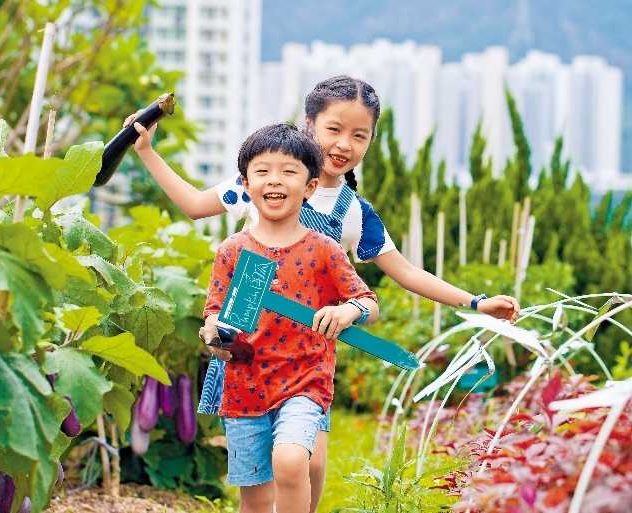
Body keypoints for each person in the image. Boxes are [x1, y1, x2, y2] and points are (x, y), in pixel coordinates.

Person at [125, 75, 520, 512]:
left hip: (307, 360)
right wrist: (145, 151)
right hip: (249, 349)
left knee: (307, 466)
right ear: (309, 124)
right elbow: (195, 205)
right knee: (256, 474)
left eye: (359, 135)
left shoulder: (353, 212)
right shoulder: (270, 176)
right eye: (334, 129)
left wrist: (477, 302)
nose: (344, 144)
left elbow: (406, 272)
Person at [199, 122, 379, 513]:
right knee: (256, 498)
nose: (274, 181)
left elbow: (367, 301)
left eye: (288, 172)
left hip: (304, 381)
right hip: (244, 388)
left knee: (291, 460)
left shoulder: (324, 250)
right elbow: (216, 312)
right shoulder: (232, 251)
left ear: (311, 186)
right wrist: (216, 335)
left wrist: (347, 310)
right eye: (262, 172)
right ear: (245, 184)